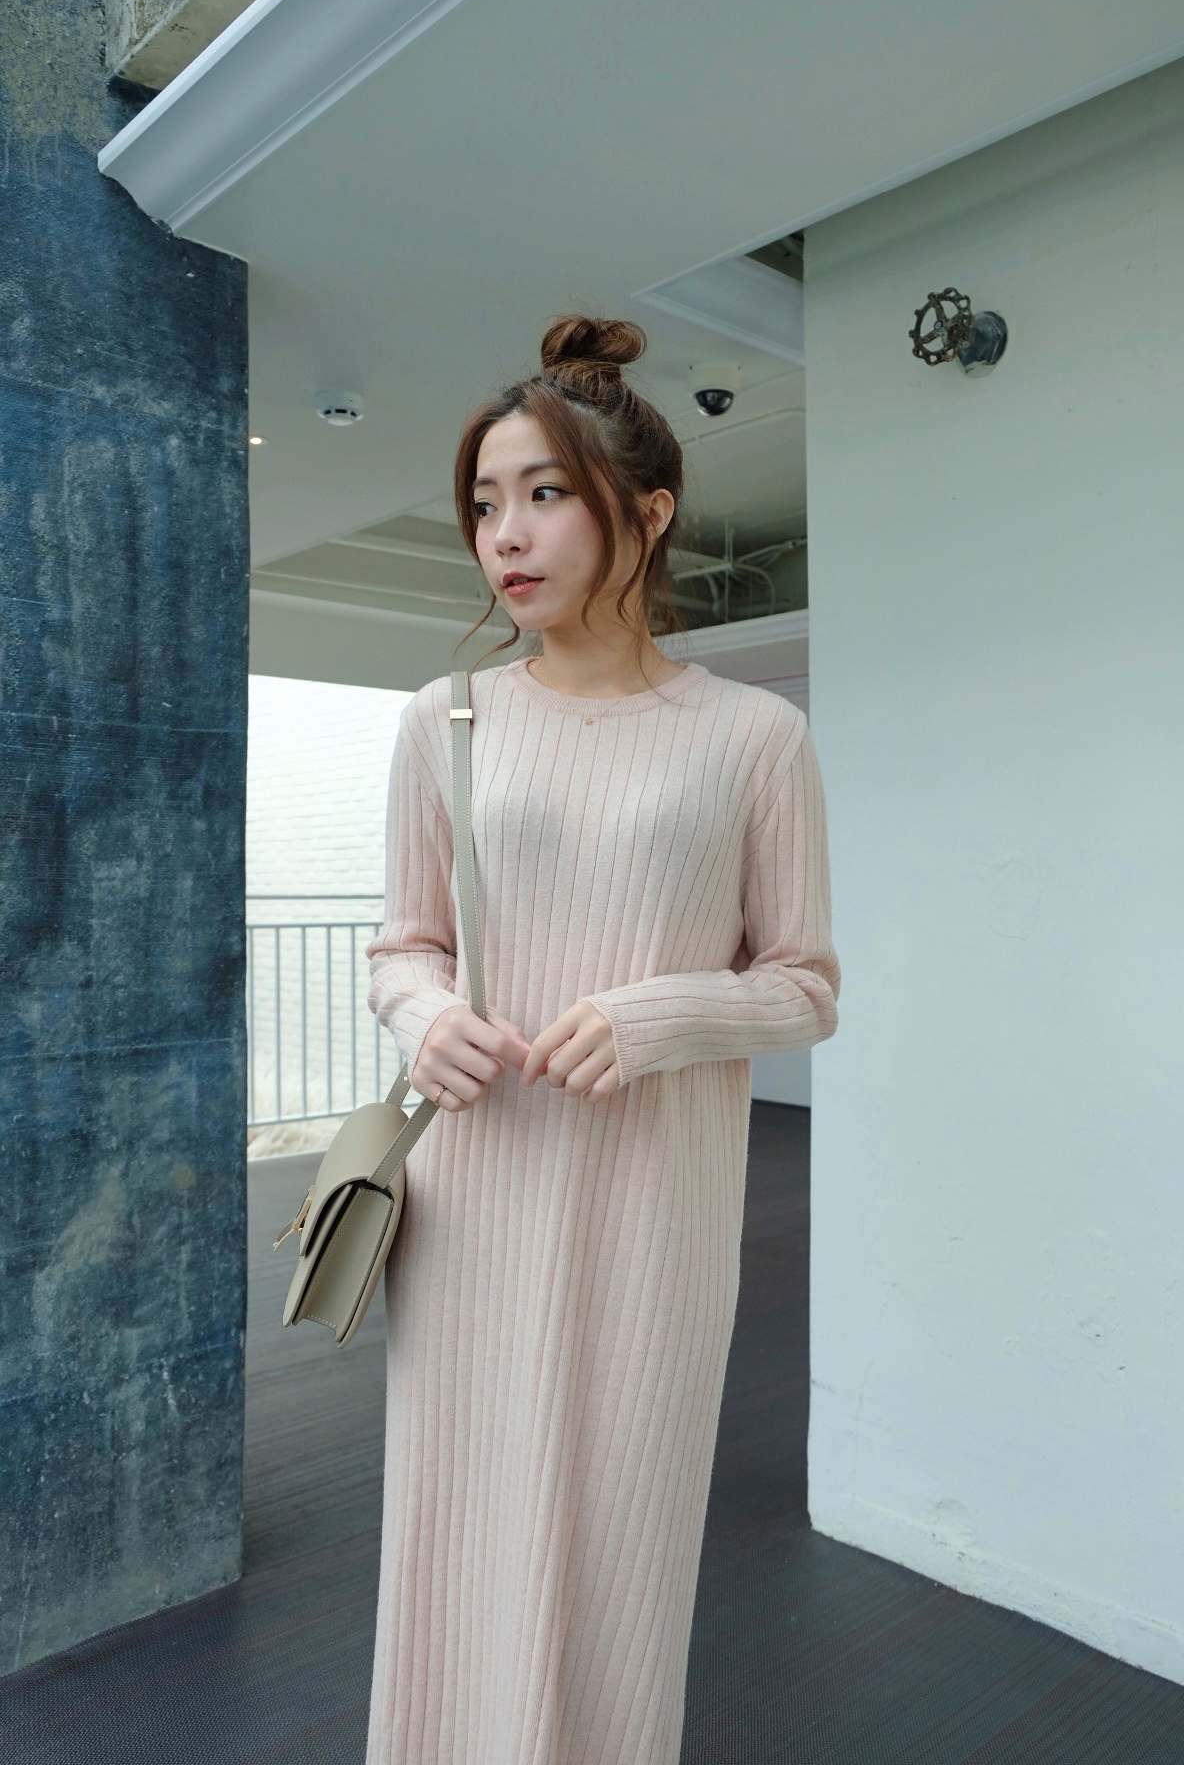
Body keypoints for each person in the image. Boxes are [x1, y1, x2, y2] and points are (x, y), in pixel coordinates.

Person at [364, 315, 840, 1764]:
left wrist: (656, 1014)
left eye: (545, 494)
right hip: (476, 1199)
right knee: (456, 1535)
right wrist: (429, 1018)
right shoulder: (444, 718)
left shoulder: (754, 737)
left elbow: (806, 985)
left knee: (624, 1546)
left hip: (653, 1215)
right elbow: (403, 945)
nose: (504, 536)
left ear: (648, 510)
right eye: (484, 504)